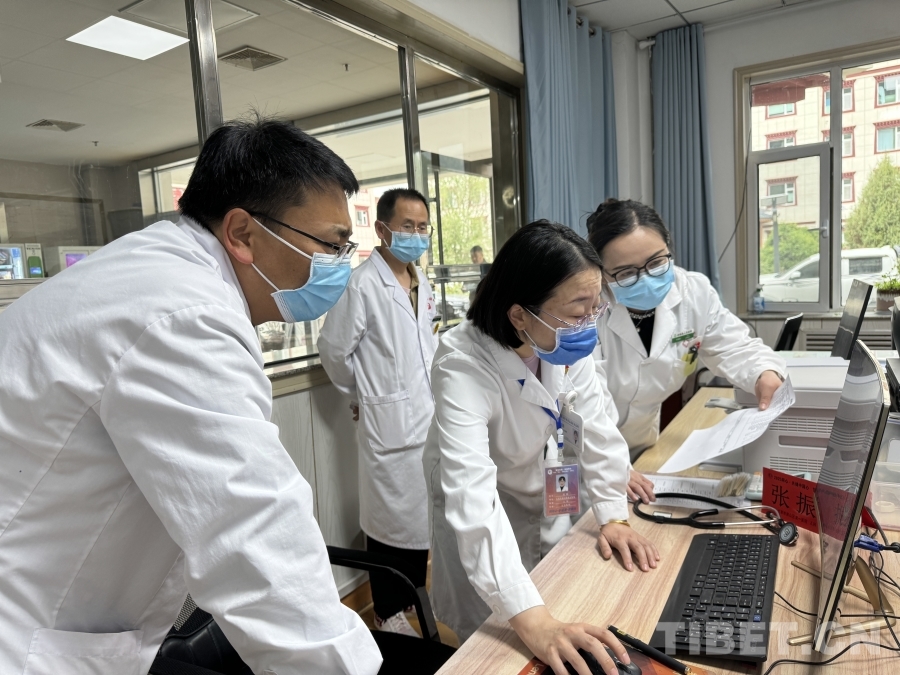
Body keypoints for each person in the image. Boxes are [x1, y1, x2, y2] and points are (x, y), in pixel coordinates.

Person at [0, 119, 382, 675]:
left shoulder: (158, 272)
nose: (339, 265)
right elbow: (254, 533)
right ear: (242, 233)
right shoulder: (183, 314)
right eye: (330, 244)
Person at [423, 220, 659, 675]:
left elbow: (597, 425)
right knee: (496, 643)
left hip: (542, 477)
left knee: (558, 590)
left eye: (595, 308)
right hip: (484, 503)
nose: (588, 324)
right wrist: (533, 621)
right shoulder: (461, 364)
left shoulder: (563, 341)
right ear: (519, 315)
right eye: (577, 311)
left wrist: (612, 514)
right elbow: (473, 497)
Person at [586, 199, 787, 504]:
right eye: (626, 273)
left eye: (656, 263)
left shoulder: (693, 292)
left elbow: (734, 346)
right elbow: (588, 399)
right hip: (589, 452)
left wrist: (764, 372)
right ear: (602, 274)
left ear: (669, 248)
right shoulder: (588, 311)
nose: (646, 278)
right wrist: (613, 464)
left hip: (644, 447)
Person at [318, 187, 437, 637]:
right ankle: (387, 613)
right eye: (408, 227)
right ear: (383, 230)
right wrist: (363, 394)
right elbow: (333, 350)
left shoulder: (421, 282)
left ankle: (411, 602)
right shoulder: (362, 284)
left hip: (425, 418)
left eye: (423, 227)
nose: (416, 235)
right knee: (389, 524)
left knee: (420, 524)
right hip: (387, 423)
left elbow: (425, 348)